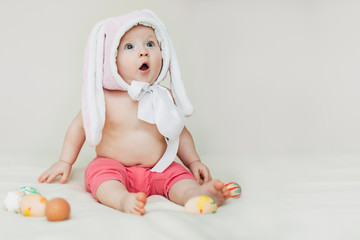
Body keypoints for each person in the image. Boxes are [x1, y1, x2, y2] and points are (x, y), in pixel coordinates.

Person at [38, 9, 230, 215]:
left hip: (158, 167)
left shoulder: (162, 95)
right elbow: (79, 126)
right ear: (110, 59)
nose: (143, 52)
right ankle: (122, 199)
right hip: (113, 166)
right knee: (101, 178)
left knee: (178, 177)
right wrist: (65, 161)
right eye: (129, 46)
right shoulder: (104, 98)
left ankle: (196, 195)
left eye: (150, 44)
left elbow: (179, 131)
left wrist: (193, 161)